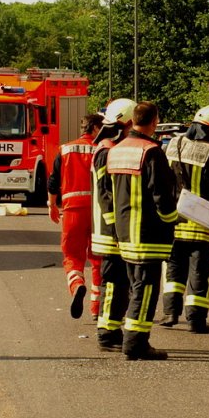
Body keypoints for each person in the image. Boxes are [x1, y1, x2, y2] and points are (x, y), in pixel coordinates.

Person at [107, 102, 178, 360]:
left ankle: (133, 339)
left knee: (135, 287)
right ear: (155, 121)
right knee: (145, 289)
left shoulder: (116, 150)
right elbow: (162, 194)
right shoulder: (151, 151)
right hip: (148, 234)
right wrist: (172, 220)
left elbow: (108, 192)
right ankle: (136, 343)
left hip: (124, 234)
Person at [161, 105, 209, 333]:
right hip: (202, 221)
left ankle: (170, 313)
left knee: (174, 269)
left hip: (175, 219)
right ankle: (196, 320)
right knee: (199, 270)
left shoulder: (173, 144)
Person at [47, 113, 105, 319]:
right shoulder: (104, 149)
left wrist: (52, 204)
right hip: (99, 214)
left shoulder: (65, 149)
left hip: (72, 211)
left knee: (72, 256)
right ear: (96, 128)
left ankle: (77, 284)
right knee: (99, 260)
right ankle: (96, 309)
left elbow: (53, 180)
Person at [92, 98, 136, 351]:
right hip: (111, 231)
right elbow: (105, 194)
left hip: (114, 229)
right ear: (126, 123)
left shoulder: (107, 147)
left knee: (120, 282)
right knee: (113, 282)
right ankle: (107, 333)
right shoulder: (107, 151)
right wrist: (117, 227)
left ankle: (112, 328)